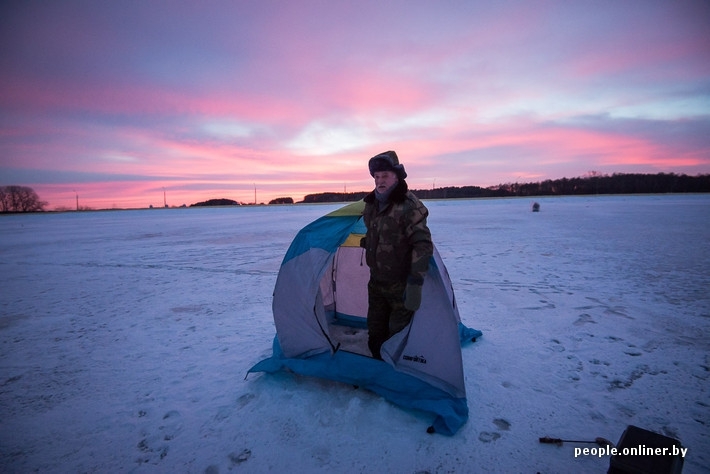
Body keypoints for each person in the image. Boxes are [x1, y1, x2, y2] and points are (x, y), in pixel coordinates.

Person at [360, 150, 433, 360]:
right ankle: (377, 366)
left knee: (397, 333)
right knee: (375, 330)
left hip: (400, 285)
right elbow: (377, 232)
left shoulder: (410, 206)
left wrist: (415, 284)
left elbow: (422, 245)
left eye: (385, 176)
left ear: (397, 177)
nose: (380, 181)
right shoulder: (371, 205)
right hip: (376, 282)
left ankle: (395, 372)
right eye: (377, 177)